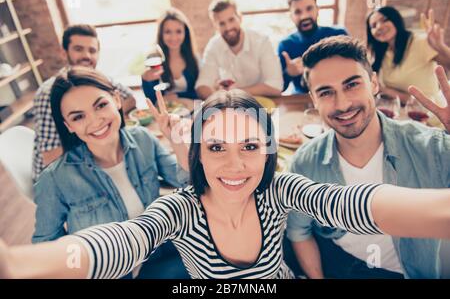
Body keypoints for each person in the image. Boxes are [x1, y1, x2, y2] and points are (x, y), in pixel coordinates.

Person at [1, 87, 450, 279]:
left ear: (270, 152)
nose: (235, 166)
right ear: (196, 153)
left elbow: (361, 204)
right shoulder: (180, 208)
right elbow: (120, 241)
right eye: (217, 148)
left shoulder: (280, 189)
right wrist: (18, 265)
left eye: (250, 147)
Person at [286, 35, 450, 279]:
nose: (342, 104)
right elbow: (299, 232)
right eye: (326, 92)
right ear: (314, 99)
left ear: (373, 83)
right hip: (340, 265)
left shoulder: (433, 149)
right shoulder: (304, 162)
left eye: (352, 85)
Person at [32, 66, 190, 278]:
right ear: (68, 125)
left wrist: (177, 141)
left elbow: (188, 182)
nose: (95, 121)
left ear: (116, 99)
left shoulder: (143, 139)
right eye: (78, 117)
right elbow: (45, 251)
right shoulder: (54, 179)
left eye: (101, 105)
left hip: (157, 250)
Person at [32, 24, 137, 182]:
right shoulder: (49, 93)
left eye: (92, 50)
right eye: (79, 49)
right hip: (60, 176)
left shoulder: (97, 79)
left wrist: (109, 119)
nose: (86, 56)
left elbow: (129, 99)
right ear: (64, 52)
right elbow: (51, 157)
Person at [195, 0, 283, 99]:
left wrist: (234, 93)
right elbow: (202, 85)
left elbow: (276, 86)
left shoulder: (261, 42)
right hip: (230, 106)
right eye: (221, 23)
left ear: (240, 18)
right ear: (215, 26)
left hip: (263, 105)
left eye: (231, 20)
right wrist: (217, 97)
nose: (228, 28)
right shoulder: (213, 46)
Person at [367, 6, 450, 105]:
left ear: (396, 20)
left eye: (384, 20)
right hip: (401, 111)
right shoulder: (382, 53)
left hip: (429, 114)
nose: (379, 27)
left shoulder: (419, 42)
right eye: (374, 26)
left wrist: (441, 46)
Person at [278, 0, 347, 94]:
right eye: (297, 12)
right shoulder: (285, 45)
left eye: (309, 8)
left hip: (338, 94)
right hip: (301, 98)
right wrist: (288, 73)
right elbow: (279, 88)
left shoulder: (338, 34)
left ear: (317, 10)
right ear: (291, 16)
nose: (304, 16)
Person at [142, 8, 200, 104]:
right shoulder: (154, 59)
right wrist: (145, 81)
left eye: (178, 31)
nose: (173, 37)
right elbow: (152, 100)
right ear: (161, 34)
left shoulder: (194, 59)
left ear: (185, 33)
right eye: (168, 32)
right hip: (166, 113)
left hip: (191, 111)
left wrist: (177, 96)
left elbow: (198, 94)